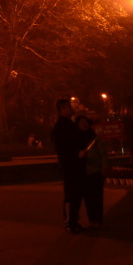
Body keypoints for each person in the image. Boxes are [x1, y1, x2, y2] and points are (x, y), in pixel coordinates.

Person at [51, 99, 87, 233]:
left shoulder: (64, 125)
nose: (71, 109)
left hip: (70, 164)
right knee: (73, 194)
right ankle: (71, 221)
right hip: (71, 165)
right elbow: (64, 146)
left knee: (73, 193)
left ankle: (72, 221)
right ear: (63, 109)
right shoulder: (63, 126)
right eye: (69, 107)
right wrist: (77, 153)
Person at [77, 115, 108, 229]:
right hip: (83, 172)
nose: (84, 124)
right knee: (88, 198)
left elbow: (103, 154)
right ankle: (92, 220)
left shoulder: (95, 138)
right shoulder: (76, 139)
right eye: (81, 122)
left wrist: (103, 168)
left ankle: (98, 220)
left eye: (86, 122)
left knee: (97, 197)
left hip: (95, 171)